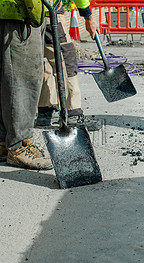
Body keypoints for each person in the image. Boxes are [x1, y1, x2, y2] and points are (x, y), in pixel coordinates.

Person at [0, 0, 53, 170]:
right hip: (21, 15)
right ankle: (18, 146)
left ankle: (4, 141)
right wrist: (35, 11)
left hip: (7, 13)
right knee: (22, 81)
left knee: (6, 80)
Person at [36, 1, 102, 131]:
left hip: (31, 17)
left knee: (46, 60)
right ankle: (73, 114)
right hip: (51, 15)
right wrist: (88, 17)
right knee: (66, 59)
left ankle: (45, 111)